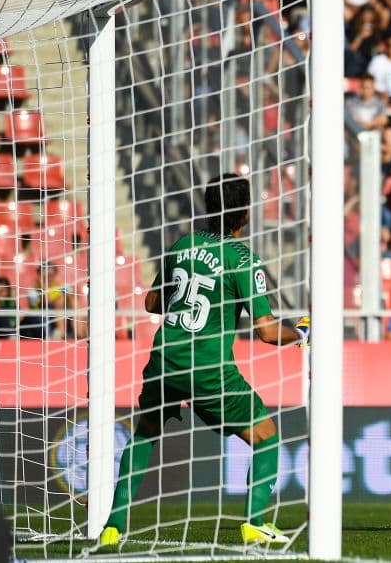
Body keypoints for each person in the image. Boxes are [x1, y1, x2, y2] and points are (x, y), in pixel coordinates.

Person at [99, 175, 307, 548]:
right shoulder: (243, 258)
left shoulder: (183, 245)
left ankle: (113, 525)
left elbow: (151, 304)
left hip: (163, 359)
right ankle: (255, 522)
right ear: (245, 213)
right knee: (265, 435)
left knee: (145, 433)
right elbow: (267, 332)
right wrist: (303, 332)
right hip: (208, 368)